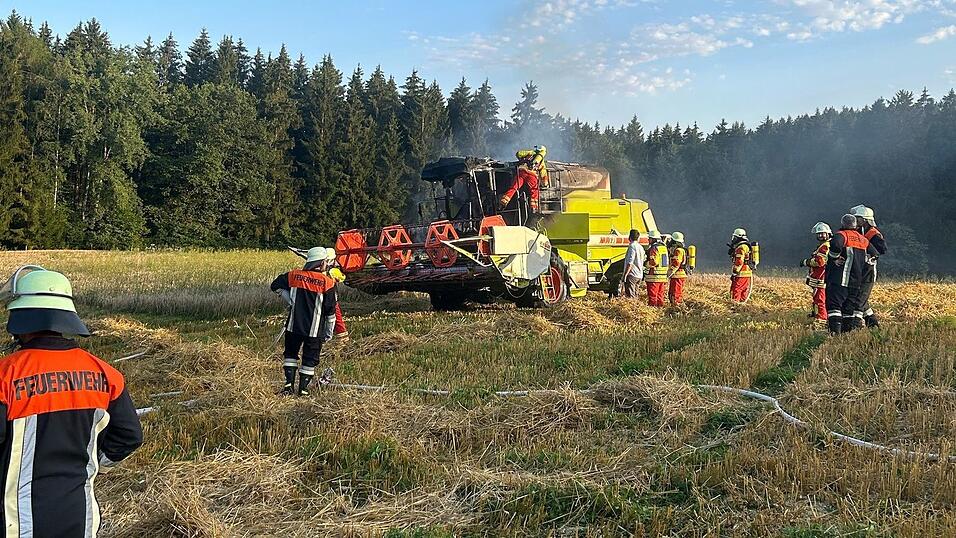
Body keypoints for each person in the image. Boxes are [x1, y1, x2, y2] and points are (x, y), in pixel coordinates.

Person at [0, 266, 143, 536]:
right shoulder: (106, 374)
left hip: (17, 520)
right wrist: (91, 459)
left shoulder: (6, 376)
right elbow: (130, 436)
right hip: (80, 514)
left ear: (21, 319)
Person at [271, 247, 338, 396]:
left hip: (293, 326)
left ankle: (288, 386)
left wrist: (290, 300)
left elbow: (275, 286)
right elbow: (330, 313)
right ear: (321, 263)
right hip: (314, 331)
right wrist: (329, 332)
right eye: (326, 262)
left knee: (290, 355)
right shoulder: (327, 283)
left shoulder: (294, 275)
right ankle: (303, 390)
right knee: (310, 358)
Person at [825, 214, 881, 334]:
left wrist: (834, 258)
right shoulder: (863, 239)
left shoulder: (842, 235)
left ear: (843, 224)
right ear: (855, 225)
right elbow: (874, 254)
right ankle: (847, 333)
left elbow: (835, 245)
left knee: (834, 306)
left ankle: (835, 333)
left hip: (840, 279)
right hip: (856, 282)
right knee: (848, 309)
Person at [850, 205, 887, 327]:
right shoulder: (859, 231)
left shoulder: (873, 233)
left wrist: (870, 254)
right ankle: (873, 324)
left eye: (858, 218)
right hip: (858, 267)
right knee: (859, 296)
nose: (856, 220)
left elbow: (882, 249)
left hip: (868, 269)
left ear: (864, 219)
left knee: (860, 298)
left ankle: (855, 325)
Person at [800, 222, 831, 327]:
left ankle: (821, 319)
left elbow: (820, 262)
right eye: (819, 234)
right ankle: (816, 313)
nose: (821, 236)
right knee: (817, 297)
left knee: (820, 299)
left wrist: (806, 262)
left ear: (828, 234)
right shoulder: (824, 245)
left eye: (823, 233)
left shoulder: (825, 247)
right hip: (819, 277)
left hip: (821, 277)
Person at [501, 145, 548, 212]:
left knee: (514, 187)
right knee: (534, 190)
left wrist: (530, 152)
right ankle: (533, 207)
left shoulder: (528, 155)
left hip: (521, 173)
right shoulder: (541, 162)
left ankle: (504, 201)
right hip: (532, 176)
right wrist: (545, 183)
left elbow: (518, 154)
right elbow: (543, 173)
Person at [324, 247, 350, 342]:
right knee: (337, 319)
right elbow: (342, 278)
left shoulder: (319, 269)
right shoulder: (334, 271)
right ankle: (342, 338)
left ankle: (326, 336)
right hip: (332, 299)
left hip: (320, 298)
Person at [644, 230, 669, 307]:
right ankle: (659, 309)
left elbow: (654, 262)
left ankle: (653, 309)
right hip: (662, 276)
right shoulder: (663, 247)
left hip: (654, 276)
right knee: (660, 295)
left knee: (653, 296)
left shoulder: (654, 248)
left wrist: (645, 264)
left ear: (653, 239)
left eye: (650, 238)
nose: (648, 240)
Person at [728, 228, 754, 303]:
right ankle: (742, 307)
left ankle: (735, 307)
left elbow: (739, 262)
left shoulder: (741, 248)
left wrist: (734, 273)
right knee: (743, 291)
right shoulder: (745, 246)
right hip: (747, 273)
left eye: (735, 237)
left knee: (736, 290)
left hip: (741, 273)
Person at [619, 229, 645, 298]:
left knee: (630, 296)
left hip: (632, 274)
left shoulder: (632, 246)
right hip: (639, 275)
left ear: (629, 237)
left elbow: (630, 262)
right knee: (635, 295)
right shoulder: (641, 247)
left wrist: (625, 275)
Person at [667, 231, 689, 305]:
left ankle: (676, 309)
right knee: (673, 293)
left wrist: (669, 274)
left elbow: (676, 263)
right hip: (678, 275)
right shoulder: (681, 250)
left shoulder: (678, 251)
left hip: (677, 276)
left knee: (675, 294)